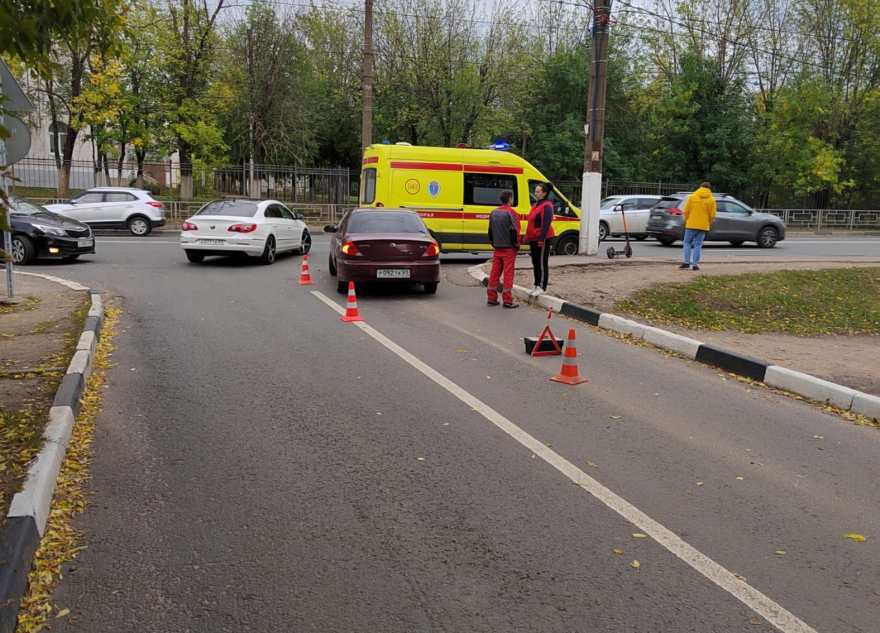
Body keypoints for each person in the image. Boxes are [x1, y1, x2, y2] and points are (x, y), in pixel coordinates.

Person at [486, 190, 520, 309]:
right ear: (510, 198)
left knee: (494, 273)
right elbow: (515, 231)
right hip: (509, 248)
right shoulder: (512, 213)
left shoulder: (494, 212)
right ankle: (507, 300)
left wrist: (493, 243)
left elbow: (490, 230)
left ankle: (491, 298)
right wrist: (516, 245)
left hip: (497, 247)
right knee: (508, 274)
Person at [525, 182, 555, 295]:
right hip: (533, 238)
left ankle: (542, 286)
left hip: (543, 238)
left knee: (542, 262)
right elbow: (531, 222)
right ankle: (536, 284)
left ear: (544, 193)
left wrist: (541, 239)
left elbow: (546, 224)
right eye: (535, 191)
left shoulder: (547, 206)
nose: (535, 193)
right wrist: (527, 235)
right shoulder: (535, 205)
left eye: (538, 192)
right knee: (535, 262)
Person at [681, 182, 717, 271]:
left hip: (691, 224)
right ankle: (695, 265)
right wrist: (708, 222)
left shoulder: (692, 197)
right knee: (698, 245)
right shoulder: (712, 200)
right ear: (709, 189)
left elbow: (686, 211)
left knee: (687, 243)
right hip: (703, 226)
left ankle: (686, 262)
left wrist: (687, 220)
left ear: (700, 187)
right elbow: (712, 215)